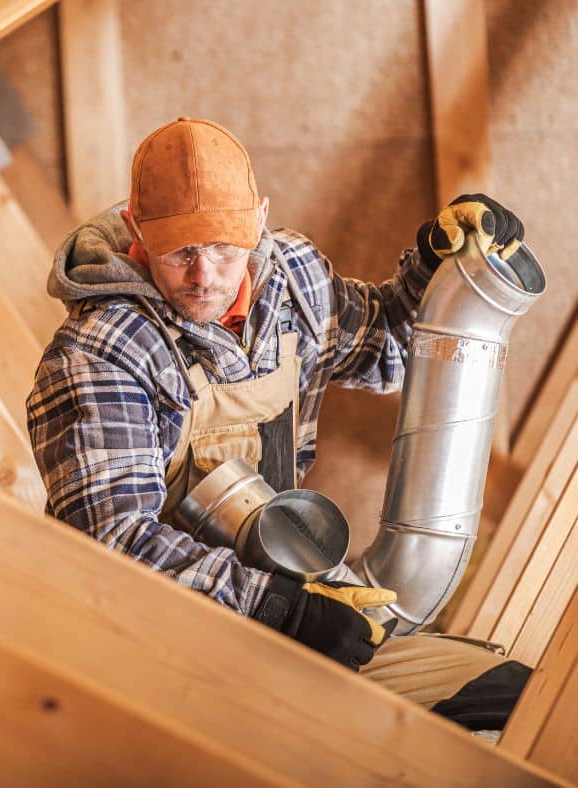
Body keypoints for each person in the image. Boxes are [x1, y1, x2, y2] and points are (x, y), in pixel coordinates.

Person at [27, 117, 529, 729]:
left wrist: (434, 269)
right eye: (182, 251)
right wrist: (276, 608)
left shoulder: (291, 280)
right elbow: (114, 543)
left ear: (259, 219)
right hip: (153, 650)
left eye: (223, 246)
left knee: (514, 702)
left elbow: (385, 349)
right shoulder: (102, 353)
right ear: (136, 230)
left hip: (282, 591)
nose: (205, 275)